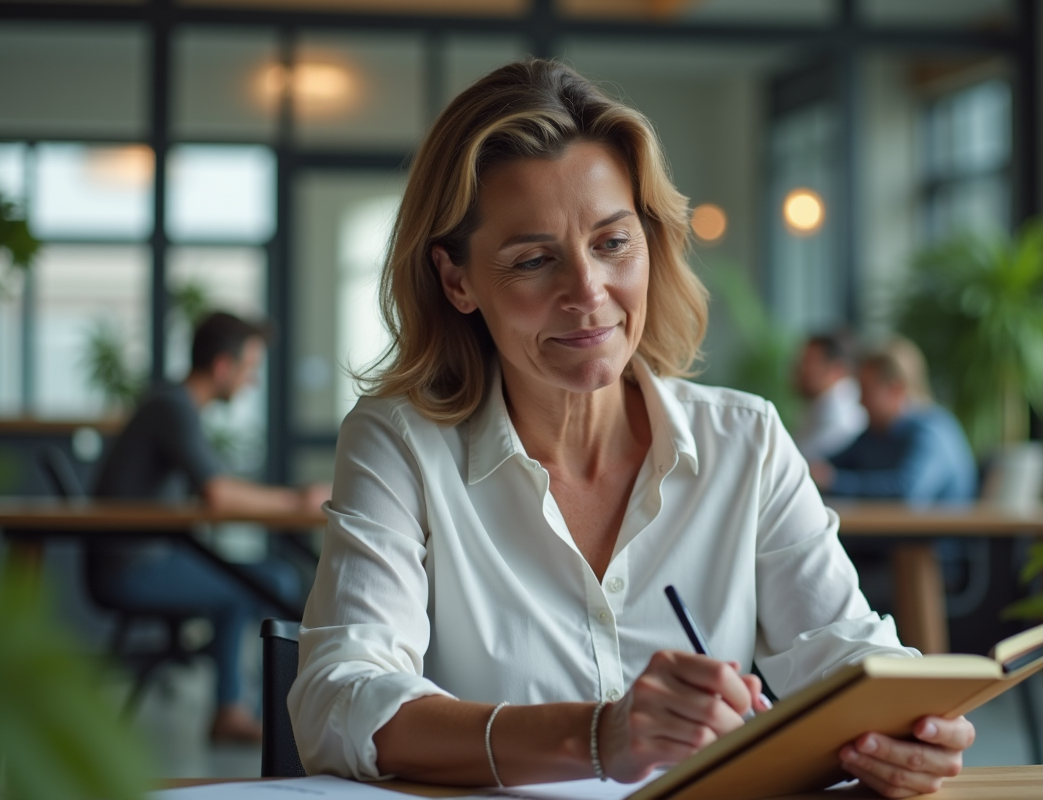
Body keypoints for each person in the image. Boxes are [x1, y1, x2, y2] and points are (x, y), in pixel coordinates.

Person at [290, 60, 975, 798]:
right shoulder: (400, 443)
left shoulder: (745, 441)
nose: (588, 292)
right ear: (457, 280)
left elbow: (846, 651)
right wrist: (595, 737)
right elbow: (340, 703)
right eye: (532, 260)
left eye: (613, 244)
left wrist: (915, 726)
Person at [90, 311, 329, 742]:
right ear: (223, 366)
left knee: (250, 579)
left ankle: (233, 710)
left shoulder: (172, 406)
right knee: (268, 579)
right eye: (250, 369)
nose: (252, 381)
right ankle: (259, 718)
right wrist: (297, 500)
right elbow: (218, 493)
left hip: (149, 558)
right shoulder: (172, 408)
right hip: (131, 570)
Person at [811, 337, 977, 504]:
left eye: (867, 391)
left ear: (895, 390)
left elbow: (908, 491)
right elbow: (830, 465)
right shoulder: (876, 433)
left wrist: (835, 482)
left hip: (938, 530)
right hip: (888, 529)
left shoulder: (931, 432)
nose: (860, 401)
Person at [792, 331, 867, 461]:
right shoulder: (817, 411)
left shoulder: (848, 422)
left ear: (837, 369)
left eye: (809, 362)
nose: (799, 369)